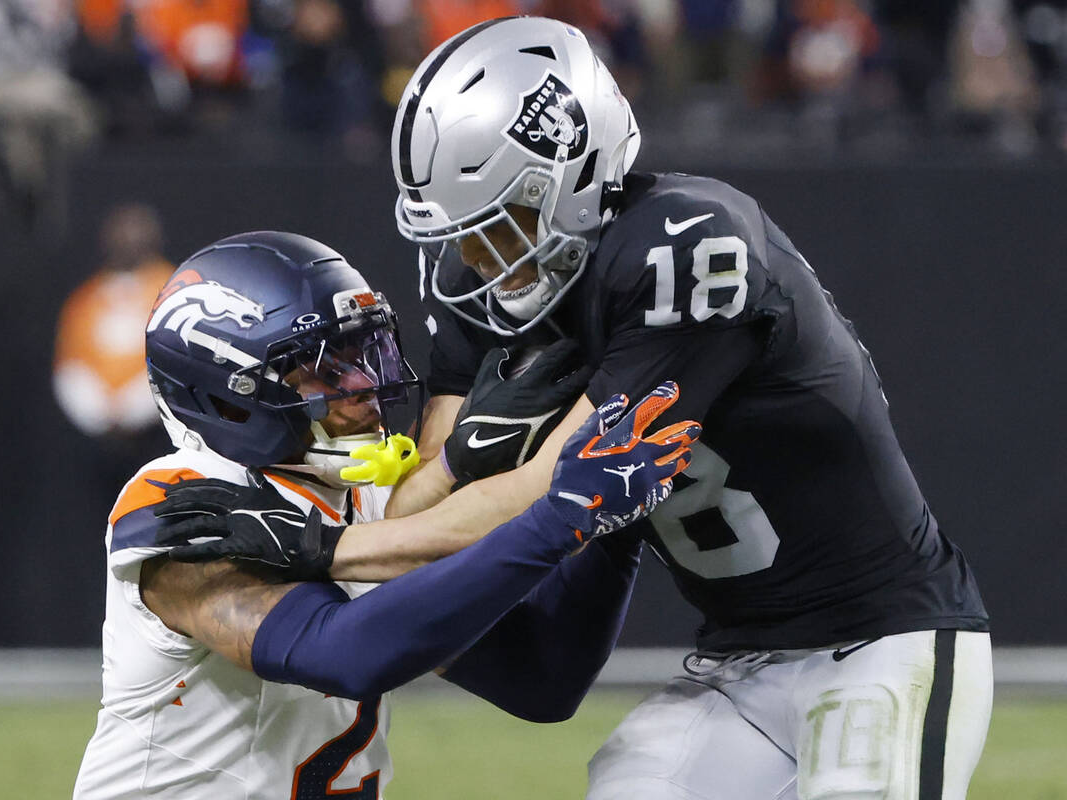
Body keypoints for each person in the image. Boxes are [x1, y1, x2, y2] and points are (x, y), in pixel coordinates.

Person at [159, 17, 993, 800]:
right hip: (736, 662)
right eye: (464, 233)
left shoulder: (688, 244)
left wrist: (326, 548)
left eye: (503, 222)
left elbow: (555, 485)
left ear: (576, 172)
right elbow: (421, 497)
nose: (479, 255)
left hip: (884, 637)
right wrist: (433, 482)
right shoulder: (479, 285)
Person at [73, 230, 700, 799]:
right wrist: (556, 517)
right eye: (326, 369)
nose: (364, 383)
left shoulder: (363, 496)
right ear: (230, 397)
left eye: (364, 351)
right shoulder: (177, 505)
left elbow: (539, 679)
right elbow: (343, 653)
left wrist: (613, 522)